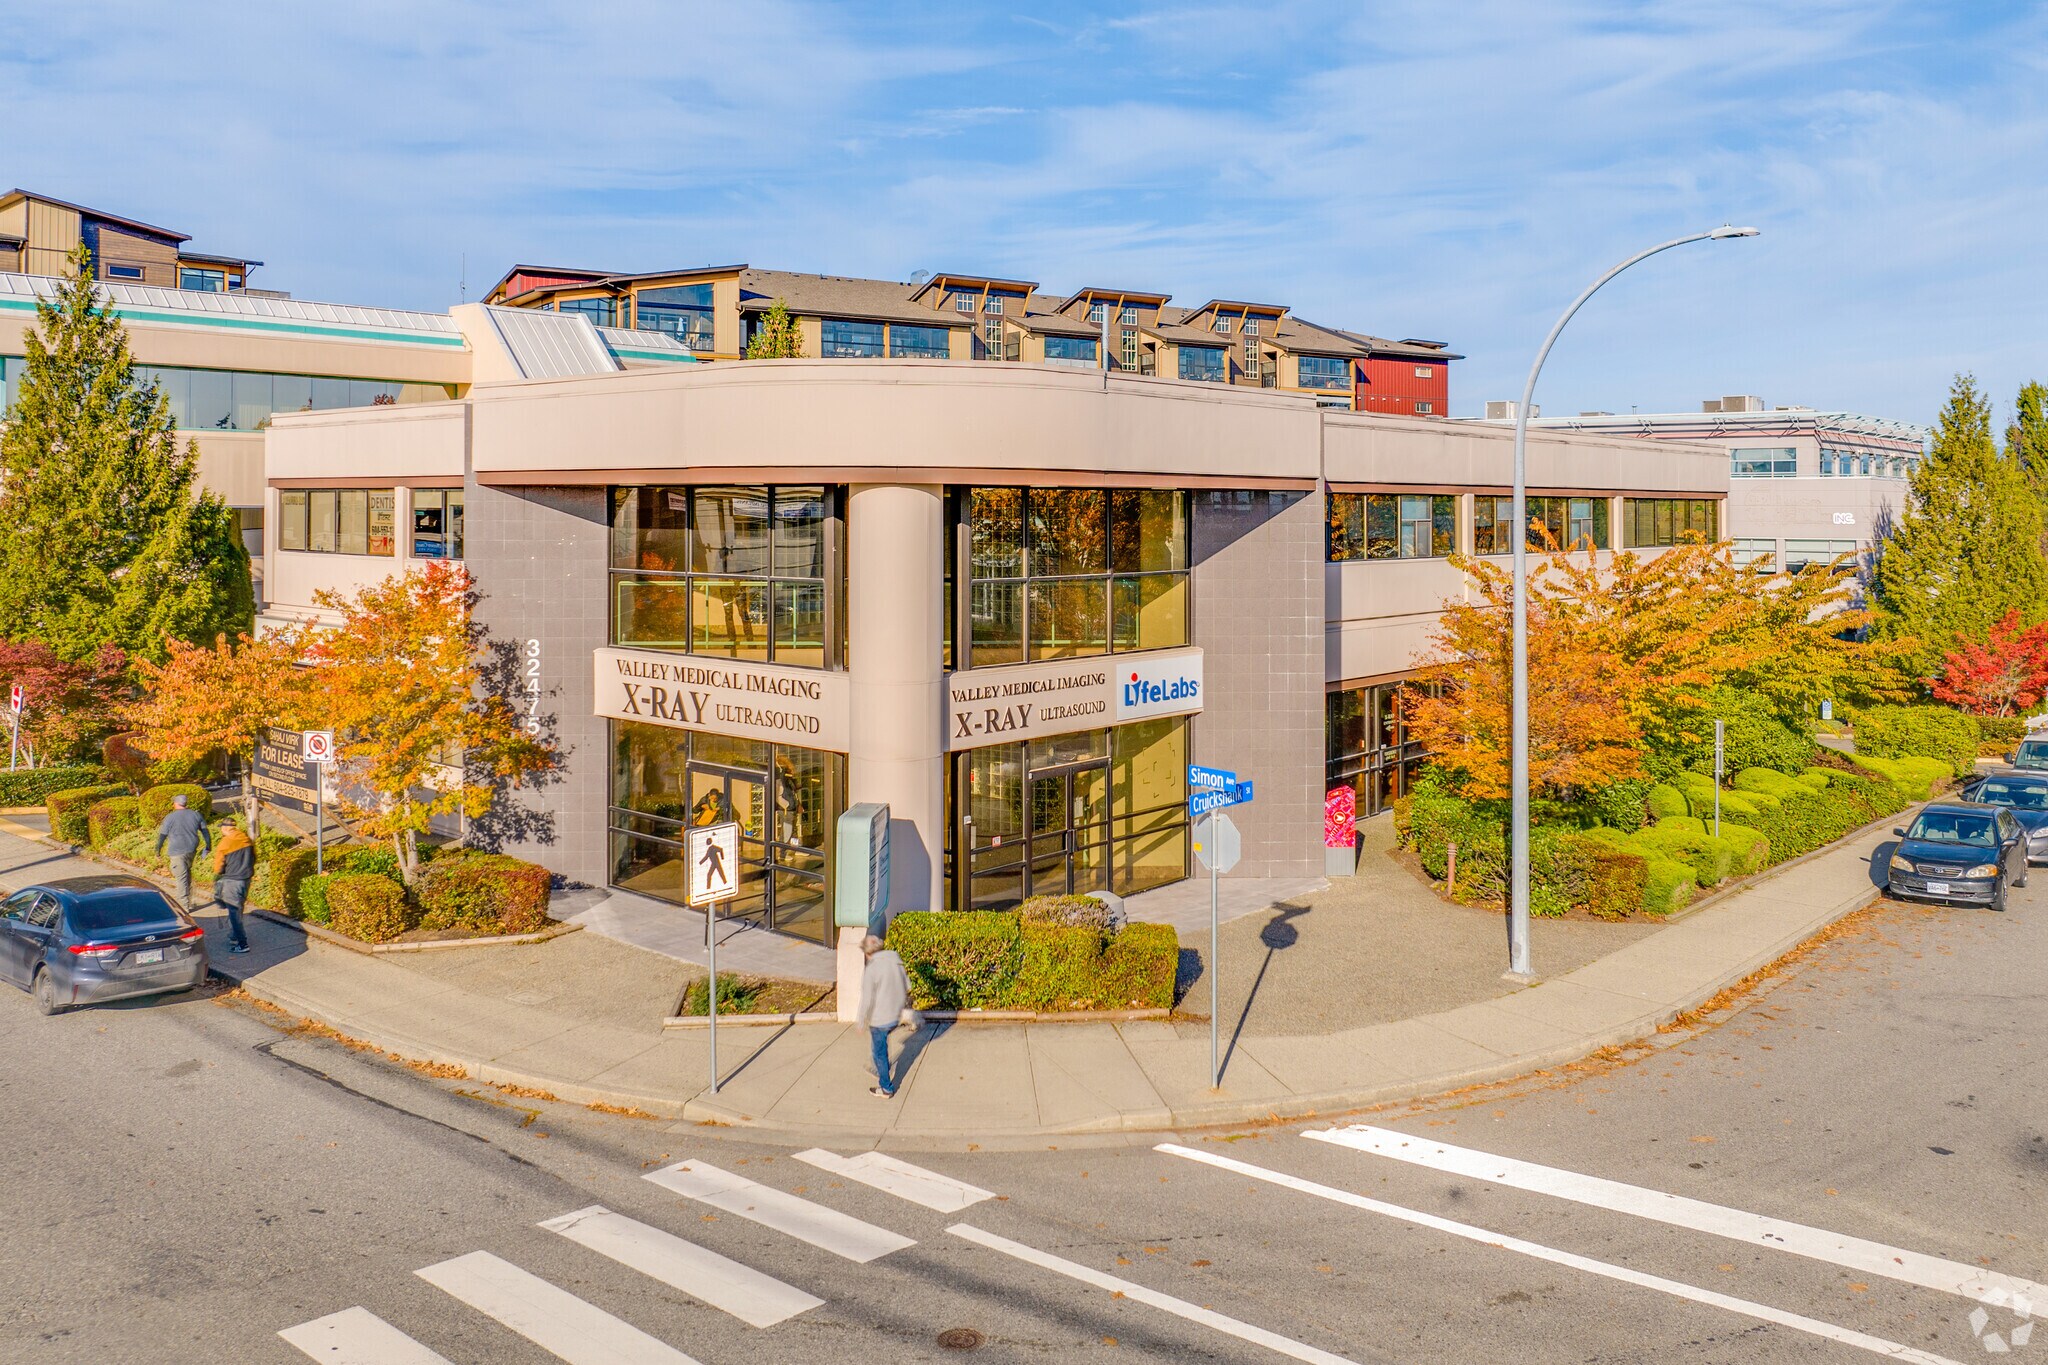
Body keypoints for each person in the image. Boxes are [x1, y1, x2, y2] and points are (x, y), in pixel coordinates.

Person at [857, 933, 911, 1098]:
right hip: (895, 1014)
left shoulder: (872, 969)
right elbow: (907, 984)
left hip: (879, 1018)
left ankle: (886, 1087)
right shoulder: (895, 959)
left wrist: (861, 1022)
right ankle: (882, 1068)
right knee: (879, 1048)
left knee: (879, 1051)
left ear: (867, 953)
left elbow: (866, 999)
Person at [153, 794, 212, 912]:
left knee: (181, 877)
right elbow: (205, 832)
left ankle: (183, 907)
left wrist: (158, 850)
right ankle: (189, 902)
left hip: (177, 851)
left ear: (175, 804)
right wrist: (208, 846)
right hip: (191, 850)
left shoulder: (170, 817)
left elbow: (162, 835)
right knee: (187, 874)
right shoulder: (196, 815)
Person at [210, 818, 255, 955]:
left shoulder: (225, 842)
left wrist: (219, 873)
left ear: (224, 828)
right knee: (239, 908)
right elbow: (255, 858)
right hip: (246, 878)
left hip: (232, 879)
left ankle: (242, 943)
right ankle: (235, 935)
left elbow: (218, 866)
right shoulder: (246, 839)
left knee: (234, 912)